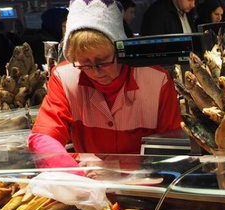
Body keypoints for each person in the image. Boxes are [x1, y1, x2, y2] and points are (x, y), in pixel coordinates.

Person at [28, 0, 181, 163]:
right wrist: (75, 173)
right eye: (84, 63)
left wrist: (124, 169)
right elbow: (42, 137)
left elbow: (172, 148)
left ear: (120, 50)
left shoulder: (157, 80)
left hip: (147, 183)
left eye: (103, 60)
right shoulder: (64, 76)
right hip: (89, 183)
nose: (95, 71)